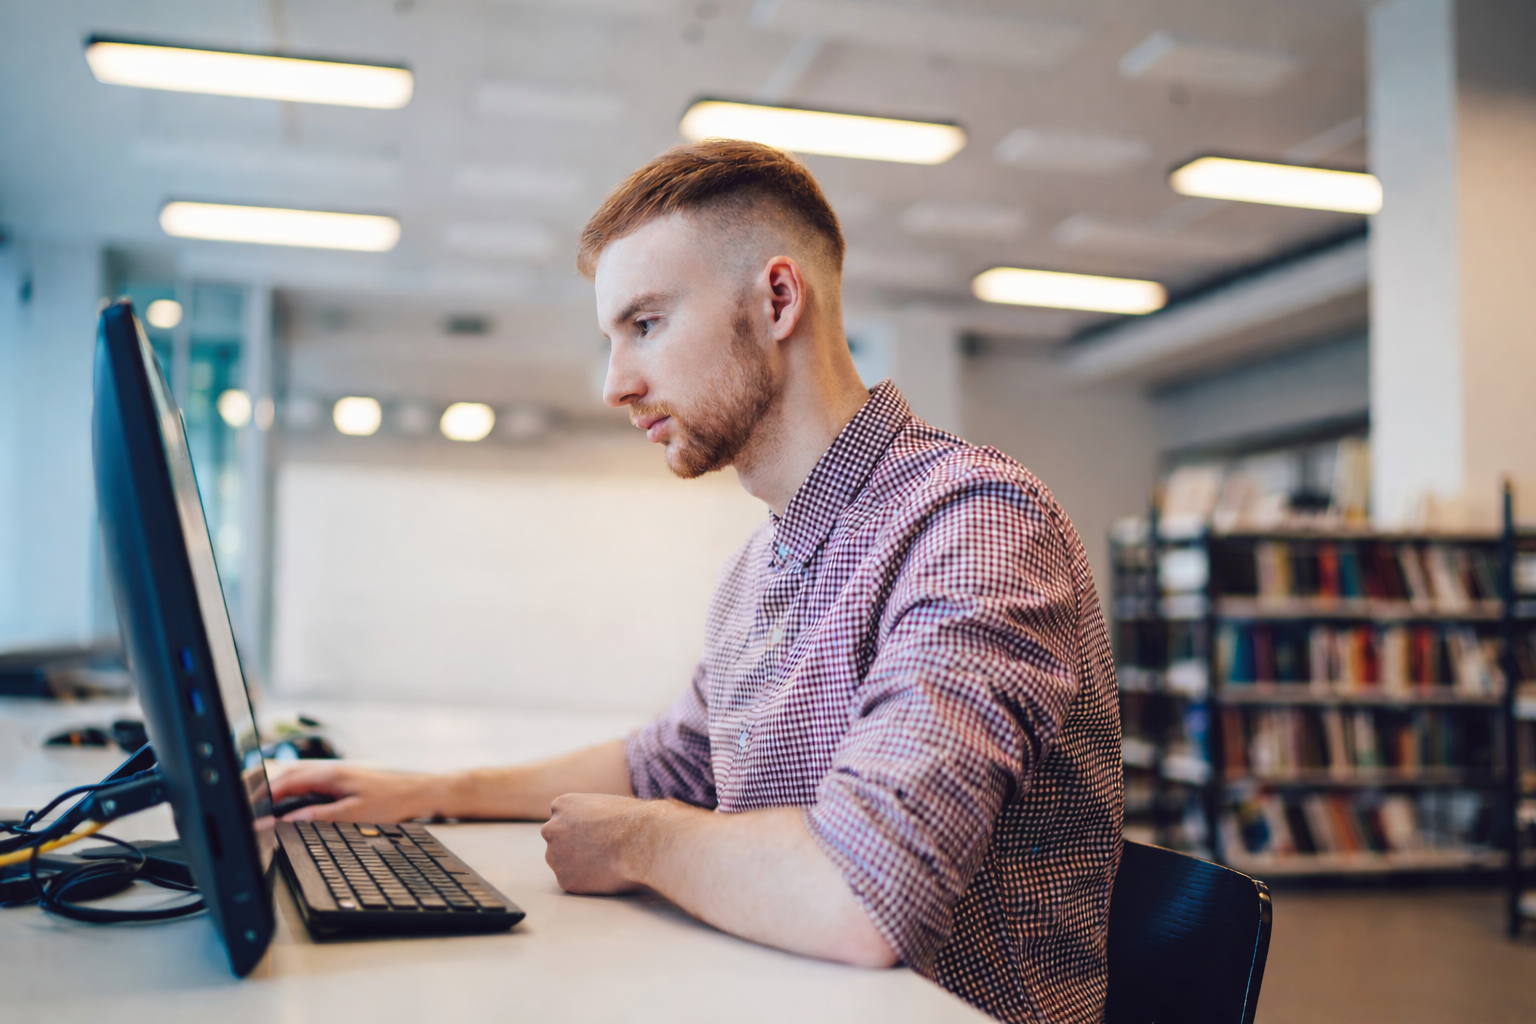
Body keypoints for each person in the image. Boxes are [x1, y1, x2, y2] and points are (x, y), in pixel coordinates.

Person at [271, 139, 1123, 1024]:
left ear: (779, 300)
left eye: (645, 325)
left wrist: (638, 839)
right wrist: (431, 792)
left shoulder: (975, 523)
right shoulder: (758, 568)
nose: (615, 384)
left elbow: (867, 894)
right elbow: (667, 761)